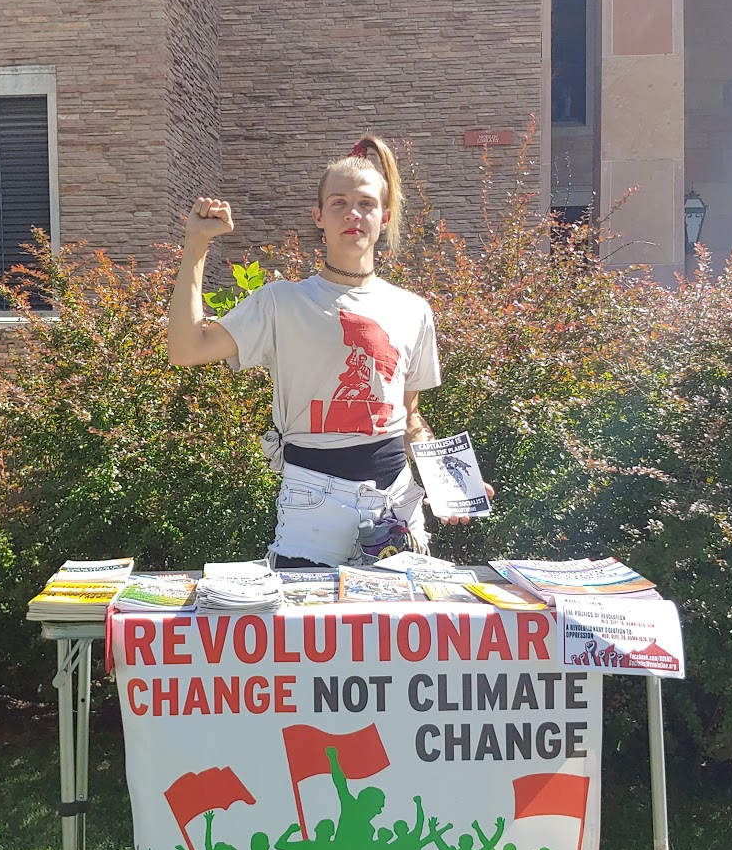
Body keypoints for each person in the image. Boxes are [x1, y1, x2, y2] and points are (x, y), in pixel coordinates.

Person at [166, 134, 491, 566]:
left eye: (366, 203)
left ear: (384, 215)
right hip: (311, 507)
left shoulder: (413, 310)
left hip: (397, 505)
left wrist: (448, 479)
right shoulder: (280, 302)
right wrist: (196, 246)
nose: (352, 213)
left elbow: (409, 417)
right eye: (337, 203)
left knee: (394, 633)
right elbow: (186, 349)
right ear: (318, 216)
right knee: (306, 634)